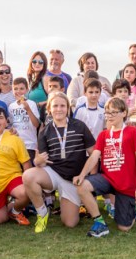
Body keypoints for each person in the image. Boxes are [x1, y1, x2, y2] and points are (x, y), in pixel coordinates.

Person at [73, 97, 136, 237]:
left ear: (124, 113)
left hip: (127, 184)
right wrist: (82, 174)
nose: (109, 116)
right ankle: (100, 222)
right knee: (81, 186)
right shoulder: (103, 135)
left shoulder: (133, 132)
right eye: (107, 113)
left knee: (124, 227)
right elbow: (94, 156)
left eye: (113, 112)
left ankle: (135, 208)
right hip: (108, 179)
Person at [23, 92, 95, 233]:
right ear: (49, 109)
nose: (59, 109)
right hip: (54, 173)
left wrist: (89, 177)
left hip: (73, 179)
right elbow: (41, 161)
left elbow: (94, 153)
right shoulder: (44, 131)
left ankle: (68, 201)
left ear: (68, 108)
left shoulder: (79, 126)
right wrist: (37, 161)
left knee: (70, 223)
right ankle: (42, 213)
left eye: (63, 106)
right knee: (28, 176)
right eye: (55, 106)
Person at [7, 77, 40, 159]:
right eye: (15, 89)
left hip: (30, 145)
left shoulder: (31, 104)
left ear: (27, 90)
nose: (18, 91)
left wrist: (28, 109)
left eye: (21, 88)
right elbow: (10, 125)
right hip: (15, 144)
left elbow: (36, 124)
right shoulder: (11, 106)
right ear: (12, 91)